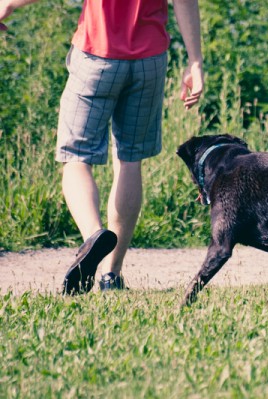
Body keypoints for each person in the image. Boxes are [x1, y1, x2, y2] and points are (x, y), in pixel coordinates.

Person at [0, 0, 204, 294]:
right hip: (150, 60)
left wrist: (8, 4)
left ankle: (93, 238)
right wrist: (194, 61)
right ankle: (112, 275)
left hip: (97, 54)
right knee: (130, 161)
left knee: (77, 158)